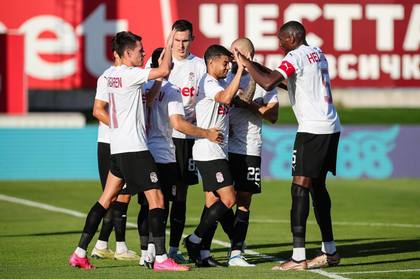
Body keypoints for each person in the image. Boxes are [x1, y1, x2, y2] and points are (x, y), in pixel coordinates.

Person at [68, 30, 189, 272]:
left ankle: (80, 253)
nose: (143, 53)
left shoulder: (109, 75)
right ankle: (162, 259)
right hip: (135, 149)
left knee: (106, 199)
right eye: (140, 51)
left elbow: (147, 98)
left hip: (117, 148)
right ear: (127, 53)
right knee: (157, 200)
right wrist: (167, 44)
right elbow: (164, 70)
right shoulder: (130, 74)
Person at [236, 21, 341, 271]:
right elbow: (289, 83)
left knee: (299, 190)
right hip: (330, 127)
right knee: (317, 188)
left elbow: (270, 83)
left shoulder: (295, 56)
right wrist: (256, 66)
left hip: (312, 131)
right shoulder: (317, 53)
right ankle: (330, 251)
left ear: (292, 39)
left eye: (281, 40)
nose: (279, 44)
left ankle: (297, 257)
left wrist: (247, 63)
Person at [137, 47, 223, 268]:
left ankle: (147, 252)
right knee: (163, 202)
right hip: (165, 152)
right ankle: (163, 255)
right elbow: (178, 124)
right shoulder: (172, 91)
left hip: (140, 149)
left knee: (149, 203)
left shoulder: (141, 88)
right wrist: (206, 133)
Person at [183, 44, 244, 267]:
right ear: (211, 63)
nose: (228, 67)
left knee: (212, 202)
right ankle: (194, 239)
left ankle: (204, 254)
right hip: (209, 152)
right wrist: (239, 70)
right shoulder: (208, 82)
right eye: (225, 63)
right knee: (229, 198)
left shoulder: (220, 82)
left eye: (230, 63)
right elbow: (226, 98)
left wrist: (240, 61)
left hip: (217, 151)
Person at [226, 38, 279, 267]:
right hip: (223, 145)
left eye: (236, 52)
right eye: (231, 51)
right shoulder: (225, 75)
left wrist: (247, 104)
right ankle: (202, 242)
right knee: (219, 199)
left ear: (248, 55)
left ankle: (236, 253)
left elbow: (273, 116)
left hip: (249, 146)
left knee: (244, 200)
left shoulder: (263, 82)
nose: (231, 56)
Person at [91, 39, 138, 261]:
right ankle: (111, 247)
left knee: (123, 196)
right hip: (112, 141)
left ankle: (109, 245)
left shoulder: (131, 76)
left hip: (121, 141)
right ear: (118, 54)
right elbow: (98, 110)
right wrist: (119, 127)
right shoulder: (107, 77)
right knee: (114, 196)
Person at [166, 19, 208, 263]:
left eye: (185, 40)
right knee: (158, 194)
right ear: (171, 39)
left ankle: (173, 248)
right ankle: (151, 247)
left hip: (187, 137)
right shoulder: (162, 63)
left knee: (181, 193)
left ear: (192, 39)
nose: (181, 45)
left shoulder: (200, 66)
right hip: (162, 137)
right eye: (177, 40)